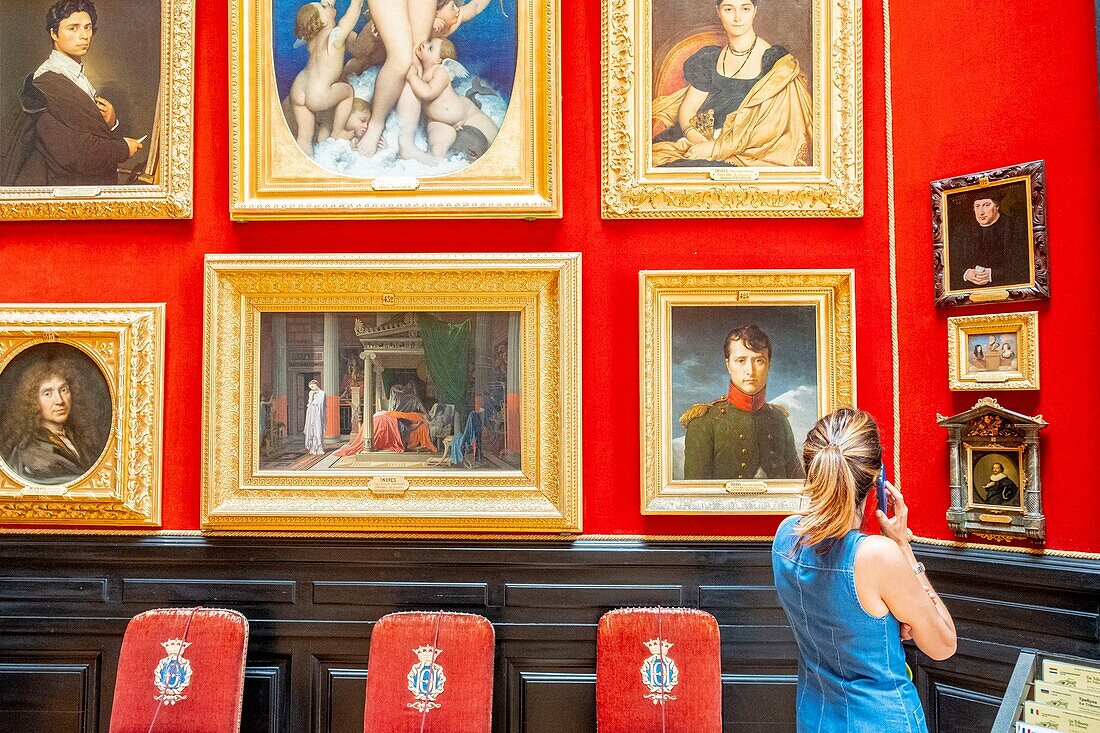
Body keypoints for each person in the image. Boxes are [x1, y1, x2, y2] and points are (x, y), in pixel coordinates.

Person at [772, 408, 957, 732]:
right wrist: (903, 546)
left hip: (815, 718)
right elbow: (943, 644)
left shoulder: (785, 537)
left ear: (811, 470)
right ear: (875, 480)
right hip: (881, 721)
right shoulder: (877, 556)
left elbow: (839, 616)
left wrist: (889, 622)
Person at [650, 0, 812, 167]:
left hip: (746, 152)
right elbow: (688, 108)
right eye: (729, 9)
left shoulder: (775, 63)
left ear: (755, 11)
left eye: (745, 8)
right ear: (718, 12)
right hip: (698, 141)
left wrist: (715, 149)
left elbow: (771, 129)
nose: (737, 17)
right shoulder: (709, 58)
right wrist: (695, 137)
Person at [1, 0, 143, 186]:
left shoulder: (76, 76)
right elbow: (73, 152)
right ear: (54, 33)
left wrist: (109, 123)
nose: (83, 36)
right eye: (73, 28)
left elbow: (84, 129)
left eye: (88, 27)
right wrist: (123, 148)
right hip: (56, 187)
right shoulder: (45, 84)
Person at [681, 325, 804, 480]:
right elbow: (694, 497)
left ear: (769, 365)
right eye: (741, 360)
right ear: (728, 365)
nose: (750, 371)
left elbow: (798, 484)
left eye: (759, 360)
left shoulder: (779, 420)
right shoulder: (704, 422)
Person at [288, 0, 366, 154]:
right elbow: (355, 7)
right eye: (323, 7)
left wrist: (326, 6)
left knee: (304, 138)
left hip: (298, 89)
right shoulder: (335, 37)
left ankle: (304, 166)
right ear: (320, 22)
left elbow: (328, 4)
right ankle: (338, 132)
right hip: (318, 93)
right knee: (347, 91)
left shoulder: (310, 39)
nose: (329, 5)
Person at [5, 361, 100, 484]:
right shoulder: (32, 454)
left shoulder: (77, 438)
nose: (59, 400)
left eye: (64, 390)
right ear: (33, 402)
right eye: (48, 393)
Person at [405, 38, 499, 161]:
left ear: (439, 60)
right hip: (437, 119)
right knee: (438, 145)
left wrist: (412, 76)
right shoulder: (424, 70)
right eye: (428, 42)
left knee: (492, 137)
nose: (424, 44)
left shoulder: (441, 71)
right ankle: (433, 159)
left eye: (430, 48)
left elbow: (428, 93)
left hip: (462, 113)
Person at [948, 189, 1031, 291]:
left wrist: (992, 274)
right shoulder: (963, 230)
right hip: (970, 290)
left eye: (987, 205)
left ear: (997, 206)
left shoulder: (1014, 227)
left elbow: (1023, 266)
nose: (981, 212)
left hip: (1005, 288)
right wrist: (966, 273)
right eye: (977, 206)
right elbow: (951, 265)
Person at [304, 379, 326, 455]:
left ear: (316, 384)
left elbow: (319, 404)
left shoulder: (322, 393)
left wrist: (312, 403)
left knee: (318, 430)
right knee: (311, 429)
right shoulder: (311, 393)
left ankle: (319, 448)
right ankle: (313, 449)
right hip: (311, 413)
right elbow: (310, 403)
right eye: (311, 387)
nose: (312, 389)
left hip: (318, 413)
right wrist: (311, 395)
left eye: (312, 386)